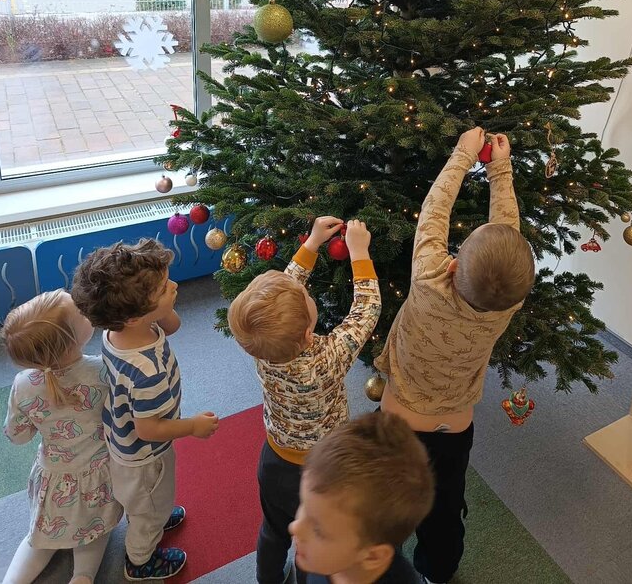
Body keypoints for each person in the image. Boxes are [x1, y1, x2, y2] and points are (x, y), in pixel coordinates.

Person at [375, 128, 535, 583]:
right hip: (454, 429)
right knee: (444, 507)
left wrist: (464, 155)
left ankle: (380, 563)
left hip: (400, 423)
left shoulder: (429, 277)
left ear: (454, 262)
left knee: (386, 503)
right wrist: (500, 171)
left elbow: (434, 212)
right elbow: (508, 233)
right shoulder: (507, 305)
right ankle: (437, 572)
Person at [228, 217, 381, 584]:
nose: (307, 294)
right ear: (308, 331)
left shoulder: (261, 347)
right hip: (324, 471)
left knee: (274, 528)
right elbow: (366, 312)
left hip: (275, 461)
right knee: (316, 538)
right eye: (308, 300)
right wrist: (359, 253)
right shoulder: (327, 358)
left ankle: (267, 578)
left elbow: (283, 294)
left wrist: (310, 245)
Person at [71, 239, 219, 581]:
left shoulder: (117, 332)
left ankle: (154, 511)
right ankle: (140, 560)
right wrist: (192, 426)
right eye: (165, 288)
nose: (175, 286)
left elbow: (173, 326)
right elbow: (149, 429)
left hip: (121, 436)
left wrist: (161, 308)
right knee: (148, 507)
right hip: (143, 454)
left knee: (146, 499)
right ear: (136, 317)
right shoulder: (147, 371)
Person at [2, 289, 122, 584]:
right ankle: (82, 576)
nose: (85, 309)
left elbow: (17, 435)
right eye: (80, 311)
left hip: (52, 480)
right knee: (93, 530)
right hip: (97, 477)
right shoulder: (103, 370)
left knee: (38, 539)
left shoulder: (23, 383)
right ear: (71, 340)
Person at [290, 411, 434, 584]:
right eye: (304, 505)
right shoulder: (310, 559)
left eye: (318, 530)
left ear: (372, 556)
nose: (295, 527)